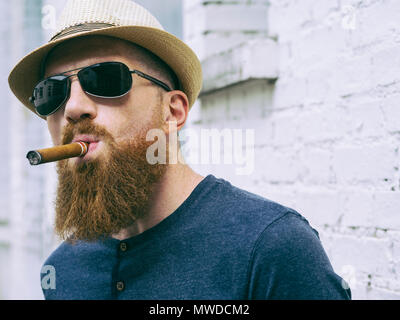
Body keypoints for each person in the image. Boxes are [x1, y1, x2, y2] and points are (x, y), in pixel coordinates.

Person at [8, 0, 352, 300]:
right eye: (51, 92)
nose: (73, 108)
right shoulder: (62, 271)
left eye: (104, 78)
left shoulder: (268, 249)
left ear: (173, 112)